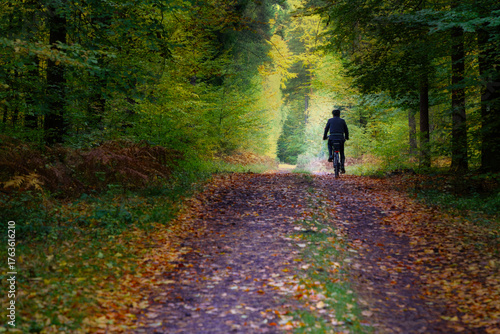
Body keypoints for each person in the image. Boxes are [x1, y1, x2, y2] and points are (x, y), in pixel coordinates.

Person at [323, 109, 349, 173]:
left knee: (329, 144)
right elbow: (346, 130)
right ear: (339, 114)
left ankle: (331, 155)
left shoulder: (330, 120)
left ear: (333, 114)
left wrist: (324, 137)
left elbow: (326, 129)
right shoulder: (342, 121)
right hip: (340, 138)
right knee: (342, 152)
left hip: (332, 137)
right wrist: (346, 137)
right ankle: (342, 166)